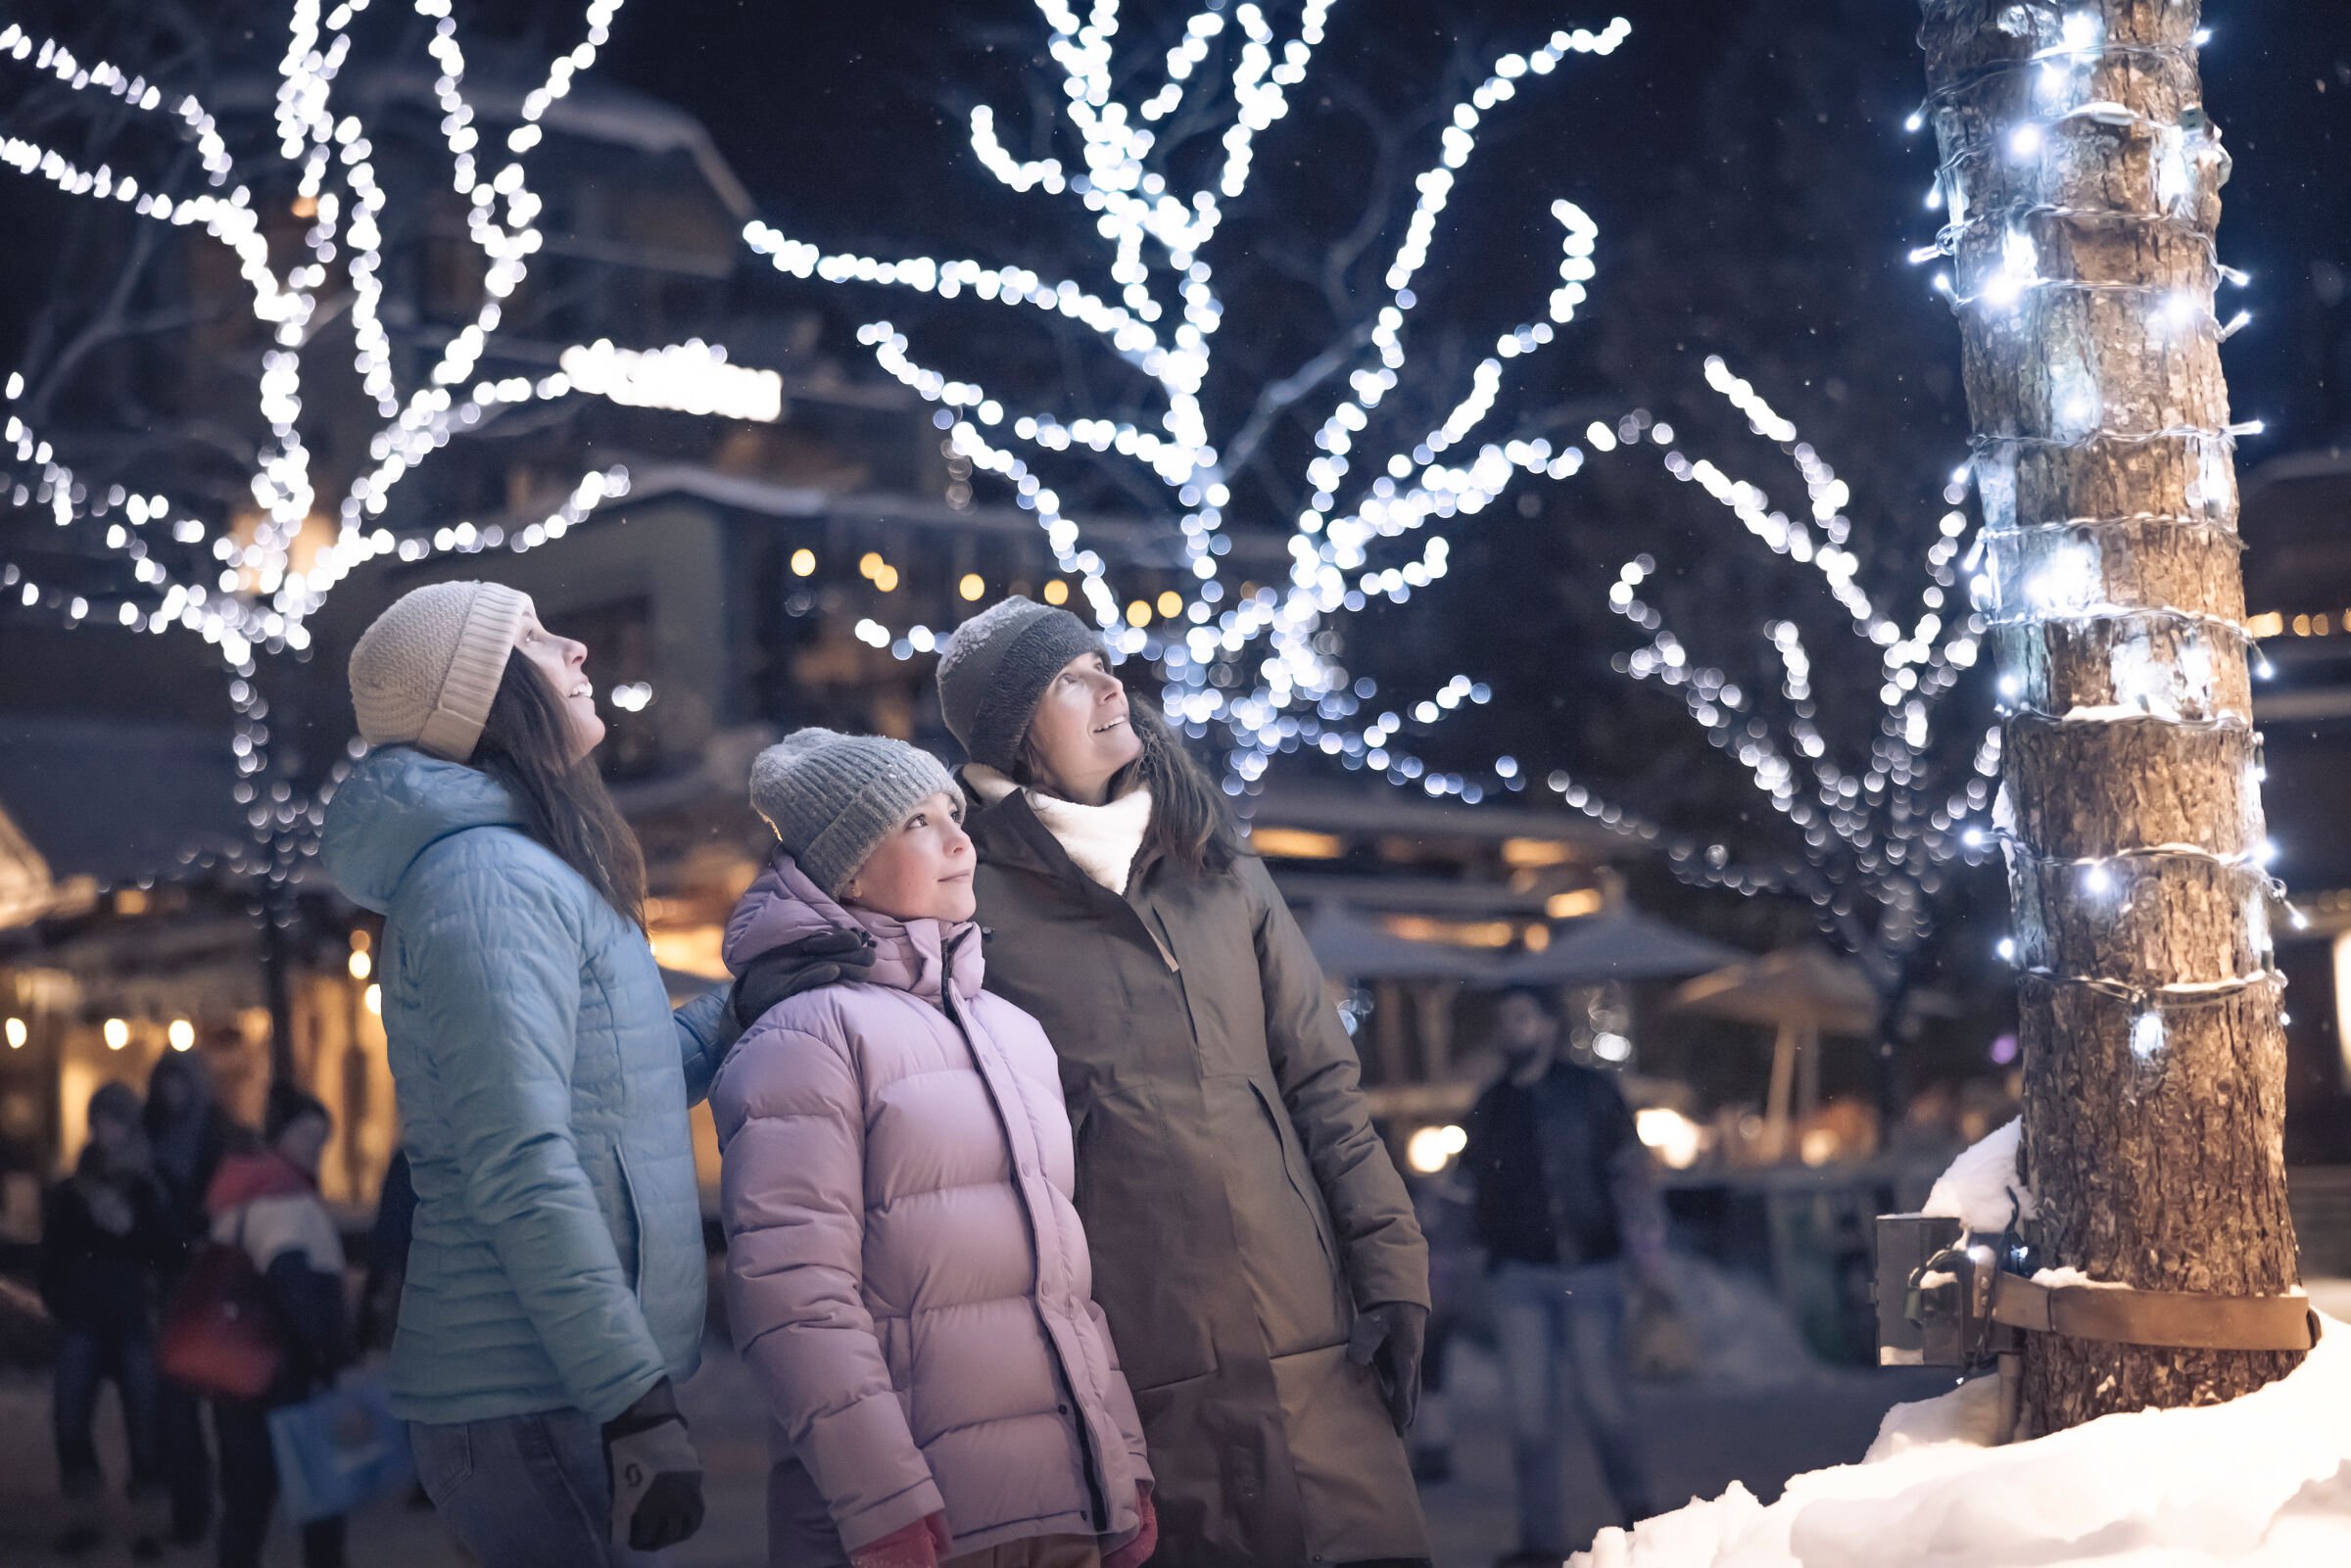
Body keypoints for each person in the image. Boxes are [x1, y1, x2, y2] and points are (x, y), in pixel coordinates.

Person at [936, 596, 1433, 1566]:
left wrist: (1392, 1265)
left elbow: (1322, 1084)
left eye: (1100, 661)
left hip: (1313, 1348)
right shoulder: (970, 904)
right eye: (1067, 679)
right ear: (1014, 731)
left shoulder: (1217, 863)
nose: (1110, 684)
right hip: (1142, 1370)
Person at [320, 580, 738, 1566]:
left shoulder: (529, 865)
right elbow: (521, 1160)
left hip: (563, 1383)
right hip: (531, 1393)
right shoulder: (483, 880)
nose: (578, 650)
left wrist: (748, 1000)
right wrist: (632, 1397)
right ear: (485, 699)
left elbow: (618, 1097)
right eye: (538, 639)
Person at [713, 729, 1157, 1568]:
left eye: (953, 813)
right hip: (920, 1527)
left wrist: (1120, 1459)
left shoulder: (1014, 1032)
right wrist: (882, 1499)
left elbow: (1065, 1288)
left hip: (1062, 1506)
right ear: (845, 867)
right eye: (917, 821)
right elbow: (795, 1294)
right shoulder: (810, 1034)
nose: (960, 840)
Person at [1460, 987, 1666, 1565]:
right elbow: (1466, 1189)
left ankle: (1642, 1521)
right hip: (1518, 1276)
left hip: (1590, 1269)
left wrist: (1647, 1259)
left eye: (1522, 1017)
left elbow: (1632, 1175)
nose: (1511, 1029)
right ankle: (1541, 1541)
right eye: (1504, 1019)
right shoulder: (1493, 1103)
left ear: (1549, 1026)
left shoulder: (1590, 1092)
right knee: (1527, 1416)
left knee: (1604, 1402)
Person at [206, 1086, 352, 1568]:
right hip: (288, 1376)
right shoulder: (283, 1200)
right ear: (281, 1136)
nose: (317, 1147)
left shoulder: (244, 1190)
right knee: (320, 1508)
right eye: (308, 1136)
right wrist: (328, 1352)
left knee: (247, 1503)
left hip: (241, 1371)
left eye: (323, 1138)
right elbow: (293, 1286)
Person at [38, 1082, 168, 1558]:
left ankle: (148, 1526)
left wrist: (131, 1230)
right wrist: (61, 1299)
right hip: (83, 1317)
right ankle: (84, 1518)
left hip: (133, 1315)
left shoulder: (148, 1185)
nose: (104, 1131)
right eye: (98, 1121)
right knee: (70, 1420)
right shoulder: (73, 1188)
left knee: (144, 1422)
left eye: (113, 1121)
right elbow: (52, 1253)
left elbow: (167, 1250)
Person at [147, 1047, 235, 1548]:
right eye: (164, 1082)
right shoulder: (148, 1133)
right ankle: (191, 1510)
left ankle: (233, 1506)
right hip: (167, 1287)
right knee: (176, 1408)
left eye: (177, 1082)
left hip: (210, 1284)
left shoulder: (214, 1137)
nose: (169, 1093)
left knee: (222, 1402)